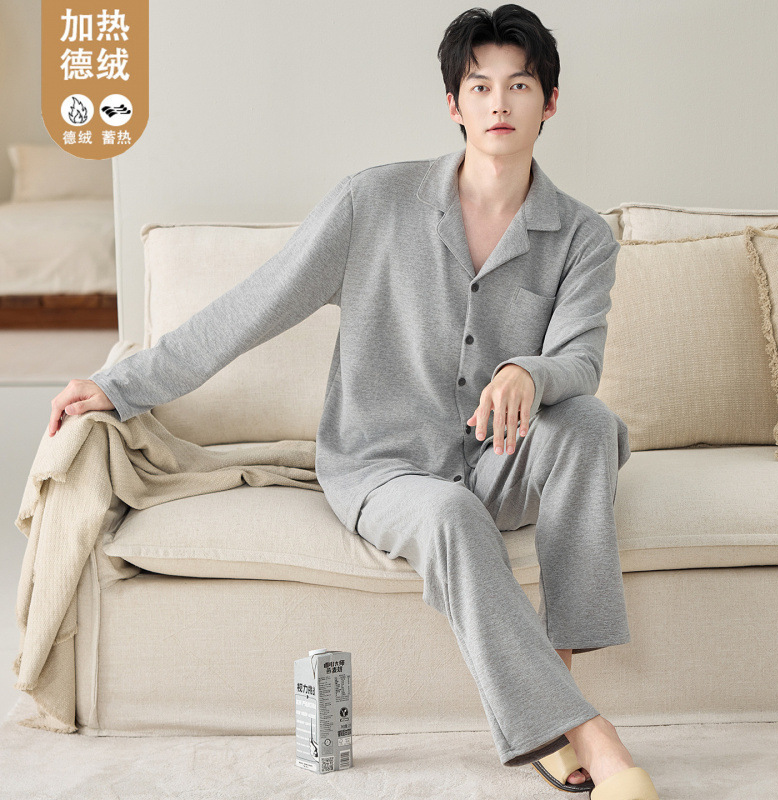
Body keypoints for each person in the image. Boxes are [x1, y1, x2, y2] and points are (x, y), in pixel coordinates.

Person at [49, 5, 659, 797]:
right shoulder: (372, 203)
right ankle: (587, 732)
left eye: (520, 85)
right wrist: (121, 385)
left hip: (499, 457)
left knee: (588, 424)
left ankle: (556, 688)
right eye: (480, 86)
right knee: (449, 514)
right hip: (384, 466)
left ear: (550, 102)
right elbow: (254, 306)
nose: (500, 104)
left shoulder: (582, 236)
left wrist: (528, 373)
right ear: (453, 103)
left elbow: (580, 361)